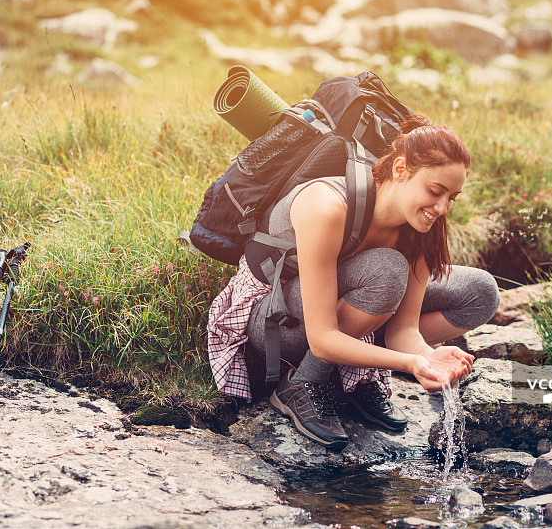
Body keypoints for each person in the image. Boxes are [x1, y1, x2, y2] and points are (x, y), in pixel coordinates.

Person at [207, 116, 500, 450]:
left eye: (453, 197)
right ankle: (303, 382)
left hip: (353, 304)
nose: (442, 208)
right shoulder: (326, 205)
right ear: (400, 169)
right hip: (273, 318)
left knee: (480, 291)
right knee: (387, 271)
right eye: (435, 191)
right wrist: (409, 364)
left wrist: (428, 356)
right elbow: (322, 338)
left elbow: (403, 332)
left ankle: (350, 371)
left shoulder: (419, 227)